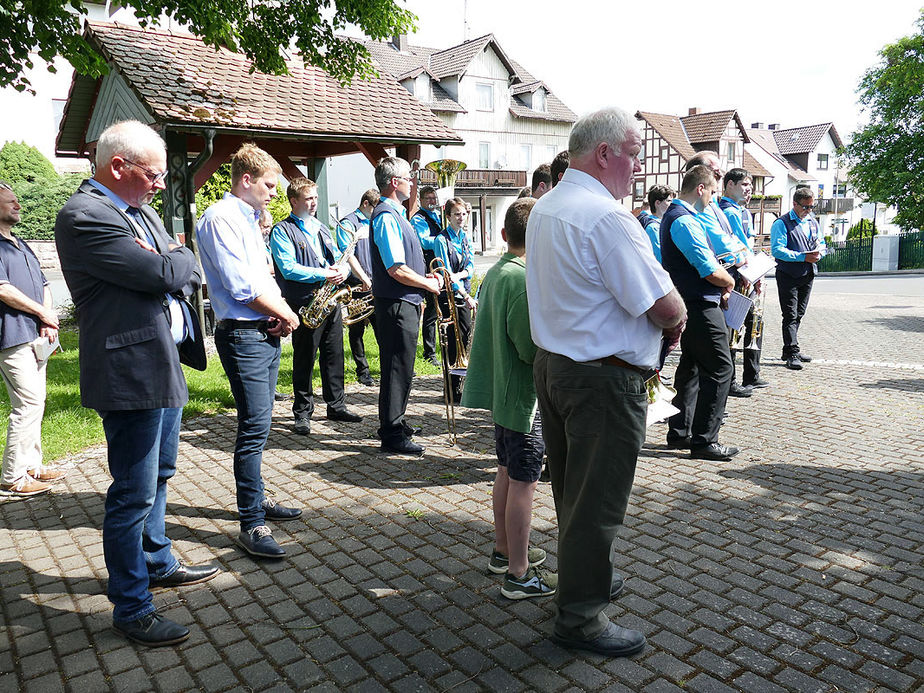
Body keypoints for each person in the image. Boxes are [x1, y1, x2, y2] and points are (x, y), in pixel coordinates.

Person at [527, 107, 686, 656]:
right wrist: (679, 314)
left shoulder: (546, 208)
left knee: (574, 491)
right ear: (604, 154)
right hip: (602, 380)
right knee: (597, 502)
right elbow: (665, 307)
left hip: (558, 369)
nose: (639, 168)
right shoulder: (606, 218)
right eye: (635, 154)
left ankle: (583, 580)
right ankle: (580, 617)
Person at [55, 120, 216, 647]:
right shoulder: (86, 215)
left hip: (160, 361)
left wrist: (173, 258)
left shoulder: (137, 212)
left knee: (159, 476)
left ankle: (157, 561)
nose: (162, 183)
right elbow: (166, 274)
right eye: (154, 173)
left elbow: (178, 260)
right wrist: (172, 260)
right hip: (129, 373)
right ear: (118, 166)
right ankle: (132, 606)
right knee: (132, 493)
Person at [196, 143, 302, 561]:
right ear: (246, 180)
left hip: (261, 330)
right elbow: (242, 287)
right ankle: (250, 523)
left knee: (261, 425)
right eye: (269, 185)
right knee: (253, 428)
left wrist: (276, 315)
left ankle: (257, 500)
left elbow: (262, 278)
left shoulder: (247, 219)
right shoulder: (221, 218)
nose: (275, 193)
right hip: (243, 335)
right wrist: (288, 315)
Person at [460, 197, 553, 599]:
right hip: (523, 401)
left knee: (505, 472)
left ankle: (504, 550)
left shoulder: (498, 272)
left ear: (503, 235)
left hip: (502, 397)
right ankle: (518, 573)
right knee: (525, 483)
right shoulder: (522, 280)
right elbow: (529, 348)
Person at [270, 177, 363, 435]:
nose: (314, 203)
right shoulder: (282, 230)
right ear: (294, 201)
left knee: (334, 356)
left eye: (315, 198)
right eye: (309, 198)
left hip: (329, 299)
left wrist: (343, 271)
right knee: (304, 359)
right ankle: (302, 412)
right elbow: (288, 269)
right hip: (304, 304)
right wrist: (324, 273)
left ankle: (336, 406)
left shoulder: (321, 227)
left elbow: (339, 257)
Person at [660, 165, 740, 461]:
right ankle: (705, 440)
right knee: (721, 369)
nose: (713, 199)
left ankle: (680, 432)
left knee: (691, 369)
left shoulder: (678, 217)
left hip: (689, 303)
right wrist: (729, 280)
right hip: (700, 305)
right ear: (700, 189)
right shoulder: (684, 221)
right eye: (713, 192)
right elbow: (706, 267)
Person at [370, 157, 442, 455]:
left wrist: (423, 277)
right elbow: (395, 269)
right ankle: (392, 433)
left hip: (404, 302)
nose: (412, 181)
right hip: (397, 305)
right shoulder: (387, 216)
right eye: (407, 177)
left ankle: (395, 422)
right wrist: (426, 284)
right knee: (397, 370)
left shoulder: (397, 214)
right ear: (393, 183)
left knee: (402, 369)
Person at [0, 182, 65, 498]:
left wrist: (46, 318)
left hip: (35, 335)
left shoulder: (21, 244)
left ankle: (33, 466)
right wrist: (42, 312)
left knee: (36, 401)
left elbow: (43, 284)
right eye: (10, 200)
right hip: (11, 338)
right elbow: (3, 289)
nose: (18, 204)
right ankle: (12, 477)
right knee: (26, 403)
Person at [719, 169, 768, 391]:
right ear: (730, 185)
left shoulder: (742, 211)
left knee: (754, 324)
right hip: (738, 275)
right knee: (735, 328)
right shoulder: (729, 211)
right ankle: (731, 380)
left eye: (750, 185)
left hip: (747, 272)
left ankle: (752, 374)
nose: (749, 189)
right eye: (744, 185)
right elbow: (738, 246)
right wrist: (752, 272)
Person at [771, 187, 824, 370]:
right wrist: (802, 256)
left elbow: (821, 242)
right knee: (790, 314)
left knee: (799, 314)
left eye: (811, 207)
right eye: (806, 207)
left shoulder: (812, 222)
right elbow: (777, 250)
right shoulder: (781, 223)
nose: (809, 210)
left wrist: (819, 253)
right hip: (788, 274)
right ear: (795, 204)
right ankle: (792, 352)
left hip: (807, 273)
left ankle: (789, 348)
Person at [432, 197, 476, 402]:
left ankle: (460, 385)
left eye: (464, 214)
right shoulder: (441, 240)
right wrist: (464, 292)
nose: (461, 218)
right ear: (448, 216)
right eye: (456, 214)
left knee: (465, 340)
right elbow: (446, 272)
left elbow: (471, 266)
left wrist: (463, 275)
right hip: (450, 297)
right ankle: (450, 390)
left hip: (462, 294)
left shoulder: (465, 237)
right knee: (452, 344)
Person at [337, 189, 379, 386]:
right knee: (357, 330)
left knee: (382, 328)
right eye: (374, 208)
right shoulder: (348, 223)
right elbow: (349, 254)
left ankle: (389, 367)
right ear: (365, 204)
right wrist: (363, 278)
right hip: (356, 286)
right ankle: (362, 371)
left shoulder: (374, 221)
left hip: (376, 284)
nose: (376, 212)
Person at [410, 185, 442, 367]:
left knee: (441, 309)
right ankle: (429, 352)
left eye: (433, 198)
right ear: (420, 201)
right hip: (428, 268)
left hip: (440, 266)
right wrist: (443, 239)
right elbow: (424, 241)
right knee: (431, 311)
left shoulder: (437, 216)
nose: (432, 201)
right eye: (428, 198)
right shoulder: (419, 219)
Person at [643, 184, 675, 262]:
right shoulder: (653, 227)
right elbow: (660, 259)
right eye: (668, 201)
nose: (672, 204)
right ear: (657, 203)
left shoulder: (661, 223)